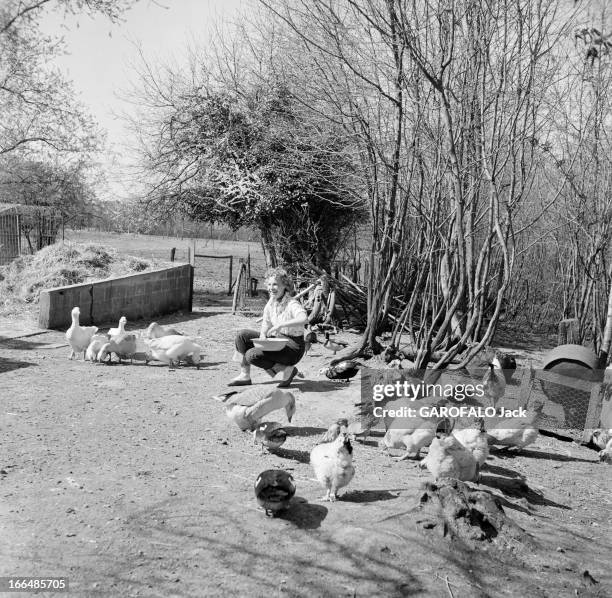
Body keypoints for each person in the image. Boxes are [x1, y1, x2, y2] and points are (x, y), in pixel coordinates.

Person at [229, 268, 308, 388]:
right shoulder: (271, 302)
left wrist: (281, 325)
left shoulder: (292, 303)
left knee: (252, 355)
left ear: (284, 286)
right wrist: (262, 335)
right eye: (269, 284)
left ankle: (287, 369)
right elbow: (265, 322)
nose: (271, 288)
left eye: (275, 284)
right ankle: (244, 375)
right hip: (277, 340)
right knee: (242, 336)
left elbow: (304, 318)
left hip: (293, 347)